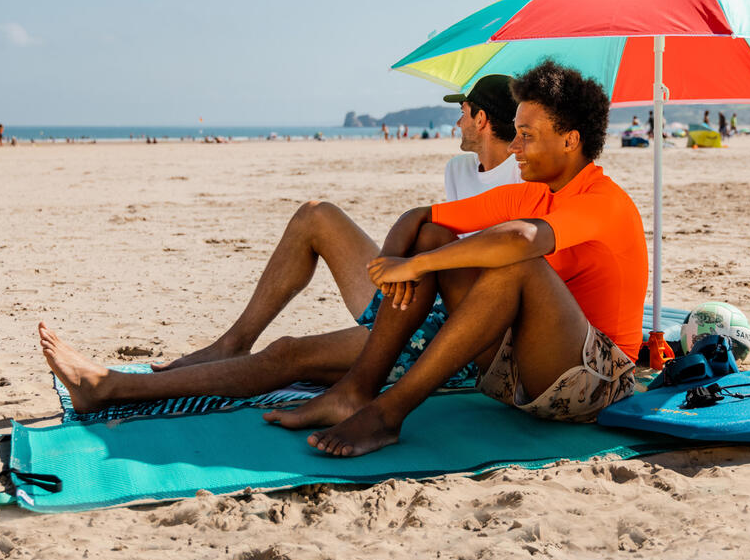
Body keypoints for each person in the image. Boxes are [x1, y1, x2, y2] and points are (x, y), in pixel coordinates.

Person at [38, 76, 522, 409]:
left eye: (462, 112)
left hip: (452, 337)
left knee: (288, 355)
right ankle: (232, 343)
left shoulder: (524, 181)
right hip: (414, 300)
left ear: (481, 119)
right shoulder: (459, 169)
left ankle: (107, 388)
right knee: (317, 216)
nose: (456, 122)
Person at [260, 59, 648, 458]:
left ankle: (388, 414)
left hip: (598, 381)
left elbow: (520, 239)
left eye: (526, 136)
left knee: (517, 262)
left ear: (570, 140)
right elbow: (421, 217)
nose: (515, 147)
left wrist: (416, 266)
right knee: (433, 236)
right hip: (520, 372)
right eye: (515, 134)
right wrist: (390, 267)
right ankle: (357, 389)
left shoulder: (603, 201)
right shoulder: (537, 193)